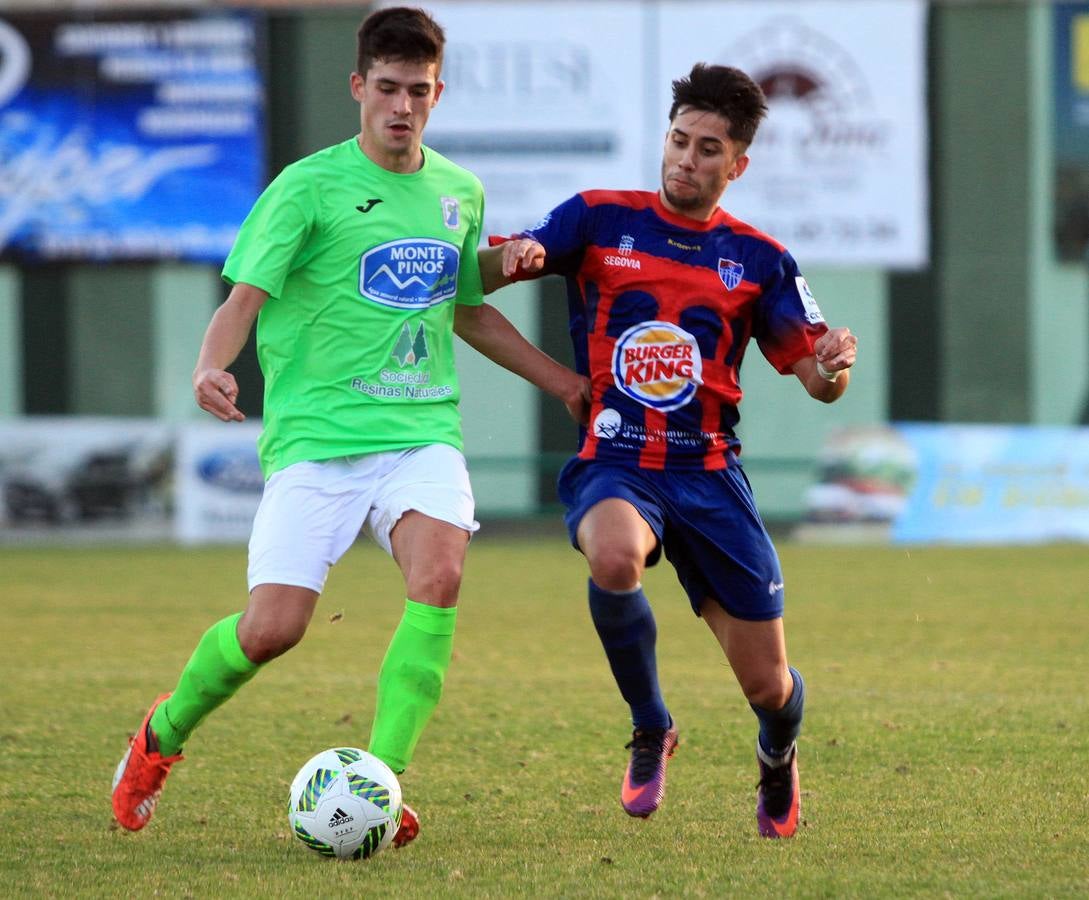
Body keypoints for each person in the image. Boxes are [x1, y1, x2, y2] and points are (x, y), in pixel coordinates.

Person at [111, 6, 587, 847]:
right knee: (272, 631)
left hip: (420, 430)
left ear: (438, 94)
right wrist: (210, 366)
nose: (403, 106)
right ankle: (160, 735)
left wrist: (563, 381)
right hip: (317, 440)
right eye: (389, 88)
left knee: (439, 576)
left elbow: (464, 308)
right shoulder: (306, 186)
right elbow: (243, 300)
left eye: (420, 91)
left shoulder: (457, 190)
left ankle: (381, 783)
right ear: (358, 86)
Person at [483, 63, 857, 838]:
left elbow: (819, 384)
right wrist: (513, 255)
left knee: (768, 687)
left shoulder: (761, 259)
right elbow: (491, 271)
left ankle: (777, 754)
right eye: (679, 140)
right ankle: (651, 724)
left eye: (707, 148)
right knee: (612, 555)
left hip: (710, 476)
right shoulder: (596, 217)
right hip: (617, 460)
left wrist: (833, 365)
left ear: (737, 164)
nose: (686, 159)